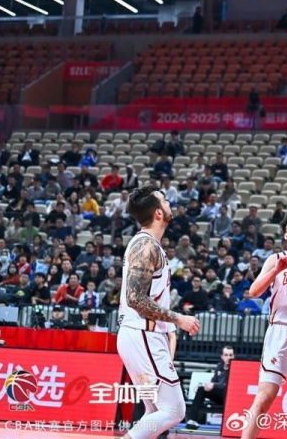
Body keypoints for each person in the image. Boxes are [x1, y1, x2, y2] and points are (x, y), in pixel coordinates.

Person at [117, 186, 201, 439]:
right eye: (165, 201)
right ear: (158, 213)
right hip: (143, 334)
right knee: (174, 410)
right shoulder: (146, 246)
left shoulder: (149, 244)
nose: (169, 204)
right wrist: (178, 318)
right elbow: (135, 298)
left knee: (154, 411)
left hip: (142, 335)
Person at [239, 211, 287, 439]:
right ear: (285, 234)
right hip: (281, 329)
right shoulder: (276, 259)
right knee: (264, 398)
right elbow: (254, 291)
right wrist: (277, 270)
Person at [186, 346, 234, 430]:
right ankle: (192, 420)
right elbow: (214, 380)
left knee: (225, 389)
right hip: (219, 396)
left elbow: (227, 384)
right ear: (222, 356)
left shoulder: (235, 367)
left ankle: (227, 423)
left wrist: (214, 385)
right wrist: (208, 386)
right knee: (201, 389)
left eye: (230, 355)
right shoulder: (219, 366)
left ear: (233, 356)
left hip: (229, 397)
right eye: (226, 355)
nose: (228, 357)